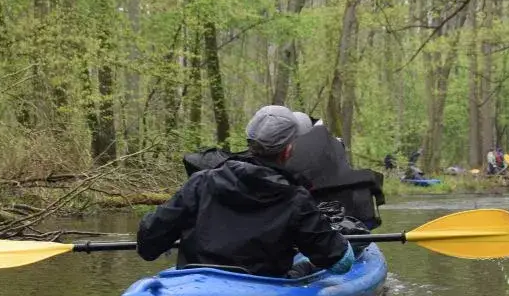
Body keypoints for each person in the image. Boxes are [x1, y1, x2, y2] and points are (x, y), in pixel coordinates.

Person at [136, 105, 355, 278]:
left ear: (249, 142)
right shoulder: (296, 199)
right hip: (261, 292)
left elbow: (147, 245)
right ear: (288, 150)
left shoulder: (200, 182)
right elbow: (340, 262)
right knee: (304, 268)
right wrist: (309, 264)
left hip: (197, 286)